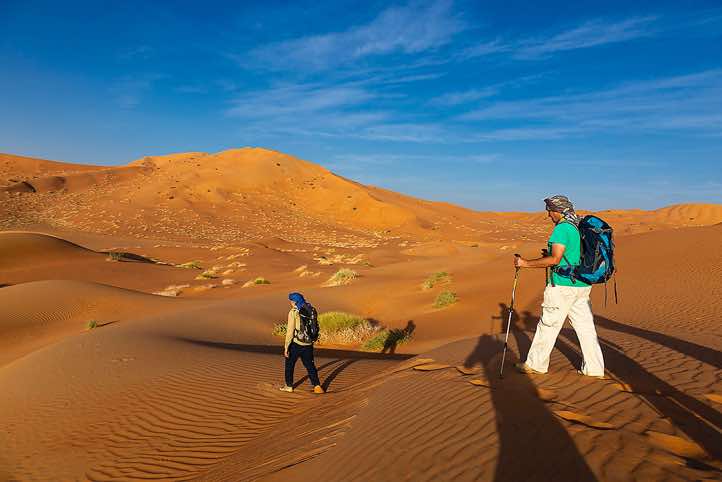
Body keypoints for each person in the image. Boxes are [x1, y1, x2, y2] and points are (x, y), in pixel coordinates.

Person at [513, 195, 605, 378]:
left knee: (548, 325)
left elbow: (554, 259)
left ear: (558, 211)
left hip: (563, 287)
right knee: (586, 329)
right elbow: (570, 255)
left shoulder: (562, 229)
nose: (549, 215)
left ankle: (536, 365)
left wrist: (524, 263)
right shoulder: (578, 226)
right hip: (582, 285)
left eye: (550, 211)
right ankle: (594, 369)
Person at [280, 292, 325, 393]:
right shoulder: (311, 309)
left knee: (289, 365)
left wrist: (286, 347)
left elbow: (290, 331)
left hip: (296, 344)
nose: (290, 303)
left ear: (294, 301)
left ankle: (289, 386)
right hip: (308, 344)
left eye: (291, 301)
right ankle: (317, 386)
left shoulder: (294, 312)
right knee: (310, 365)